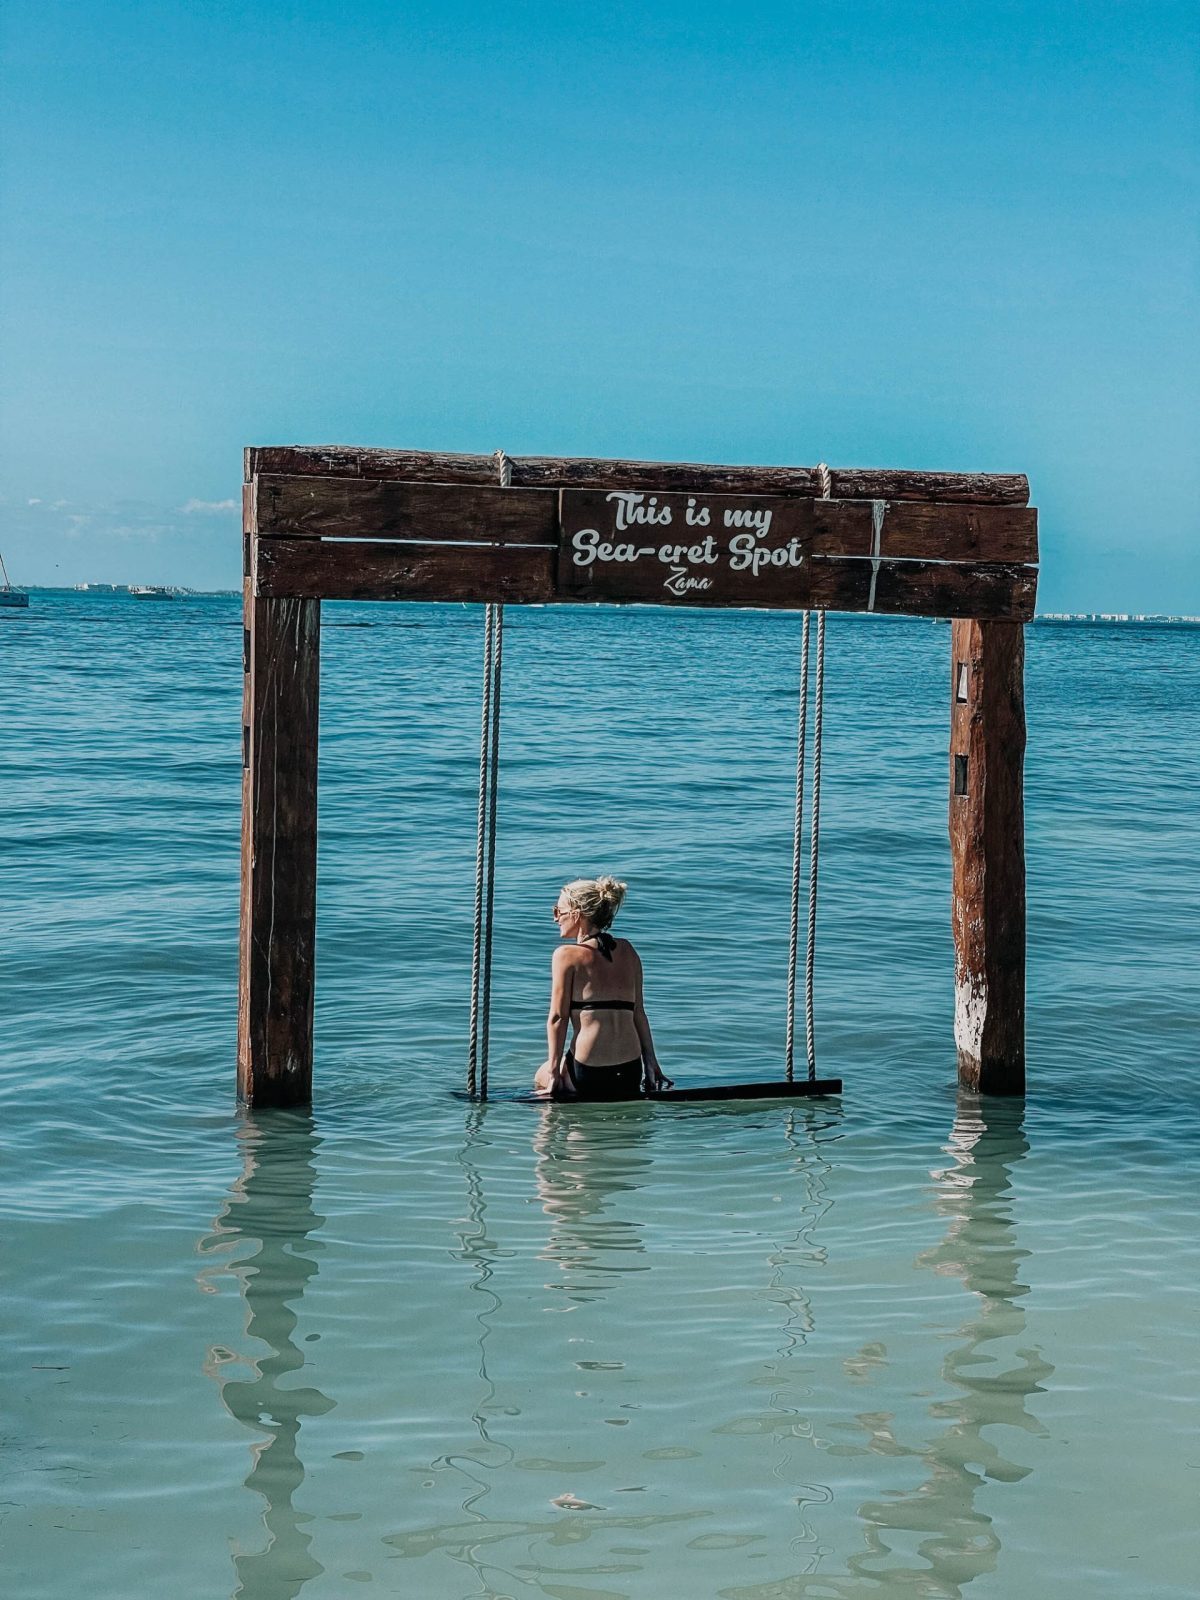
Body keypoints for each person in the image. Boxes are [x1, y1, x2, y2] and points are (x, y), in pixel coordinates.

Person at [533, 875, 673, 1100]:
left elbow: (557, 1018)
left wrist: (553, 1071)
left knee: (540, 1076)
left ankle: (545, 1132)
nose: (555, 918)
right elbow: (639, 1014)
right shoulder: (628, 951)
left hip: (589, 1073)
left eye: (558, 911)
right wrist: (651, 1063)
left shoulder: (566, 955)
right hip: (630, 1071)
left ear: (577, 914)